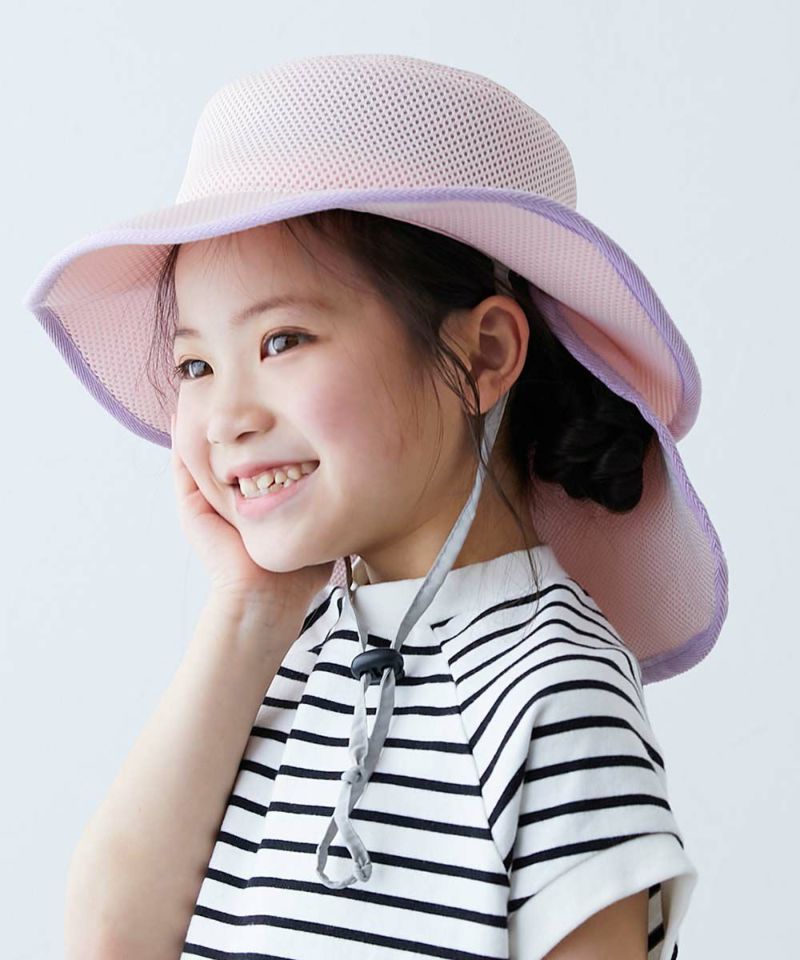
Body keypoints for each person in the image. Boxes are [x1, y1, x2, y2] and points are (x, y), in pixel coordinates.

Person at [23, 53, 728, 960]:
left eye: (283, 340)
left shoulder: (549, 688)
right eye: (195, 363)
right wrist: (249, 611)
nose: (226, 416)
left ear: (482, 354)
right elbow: (109, 943)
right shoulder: (292, 654)